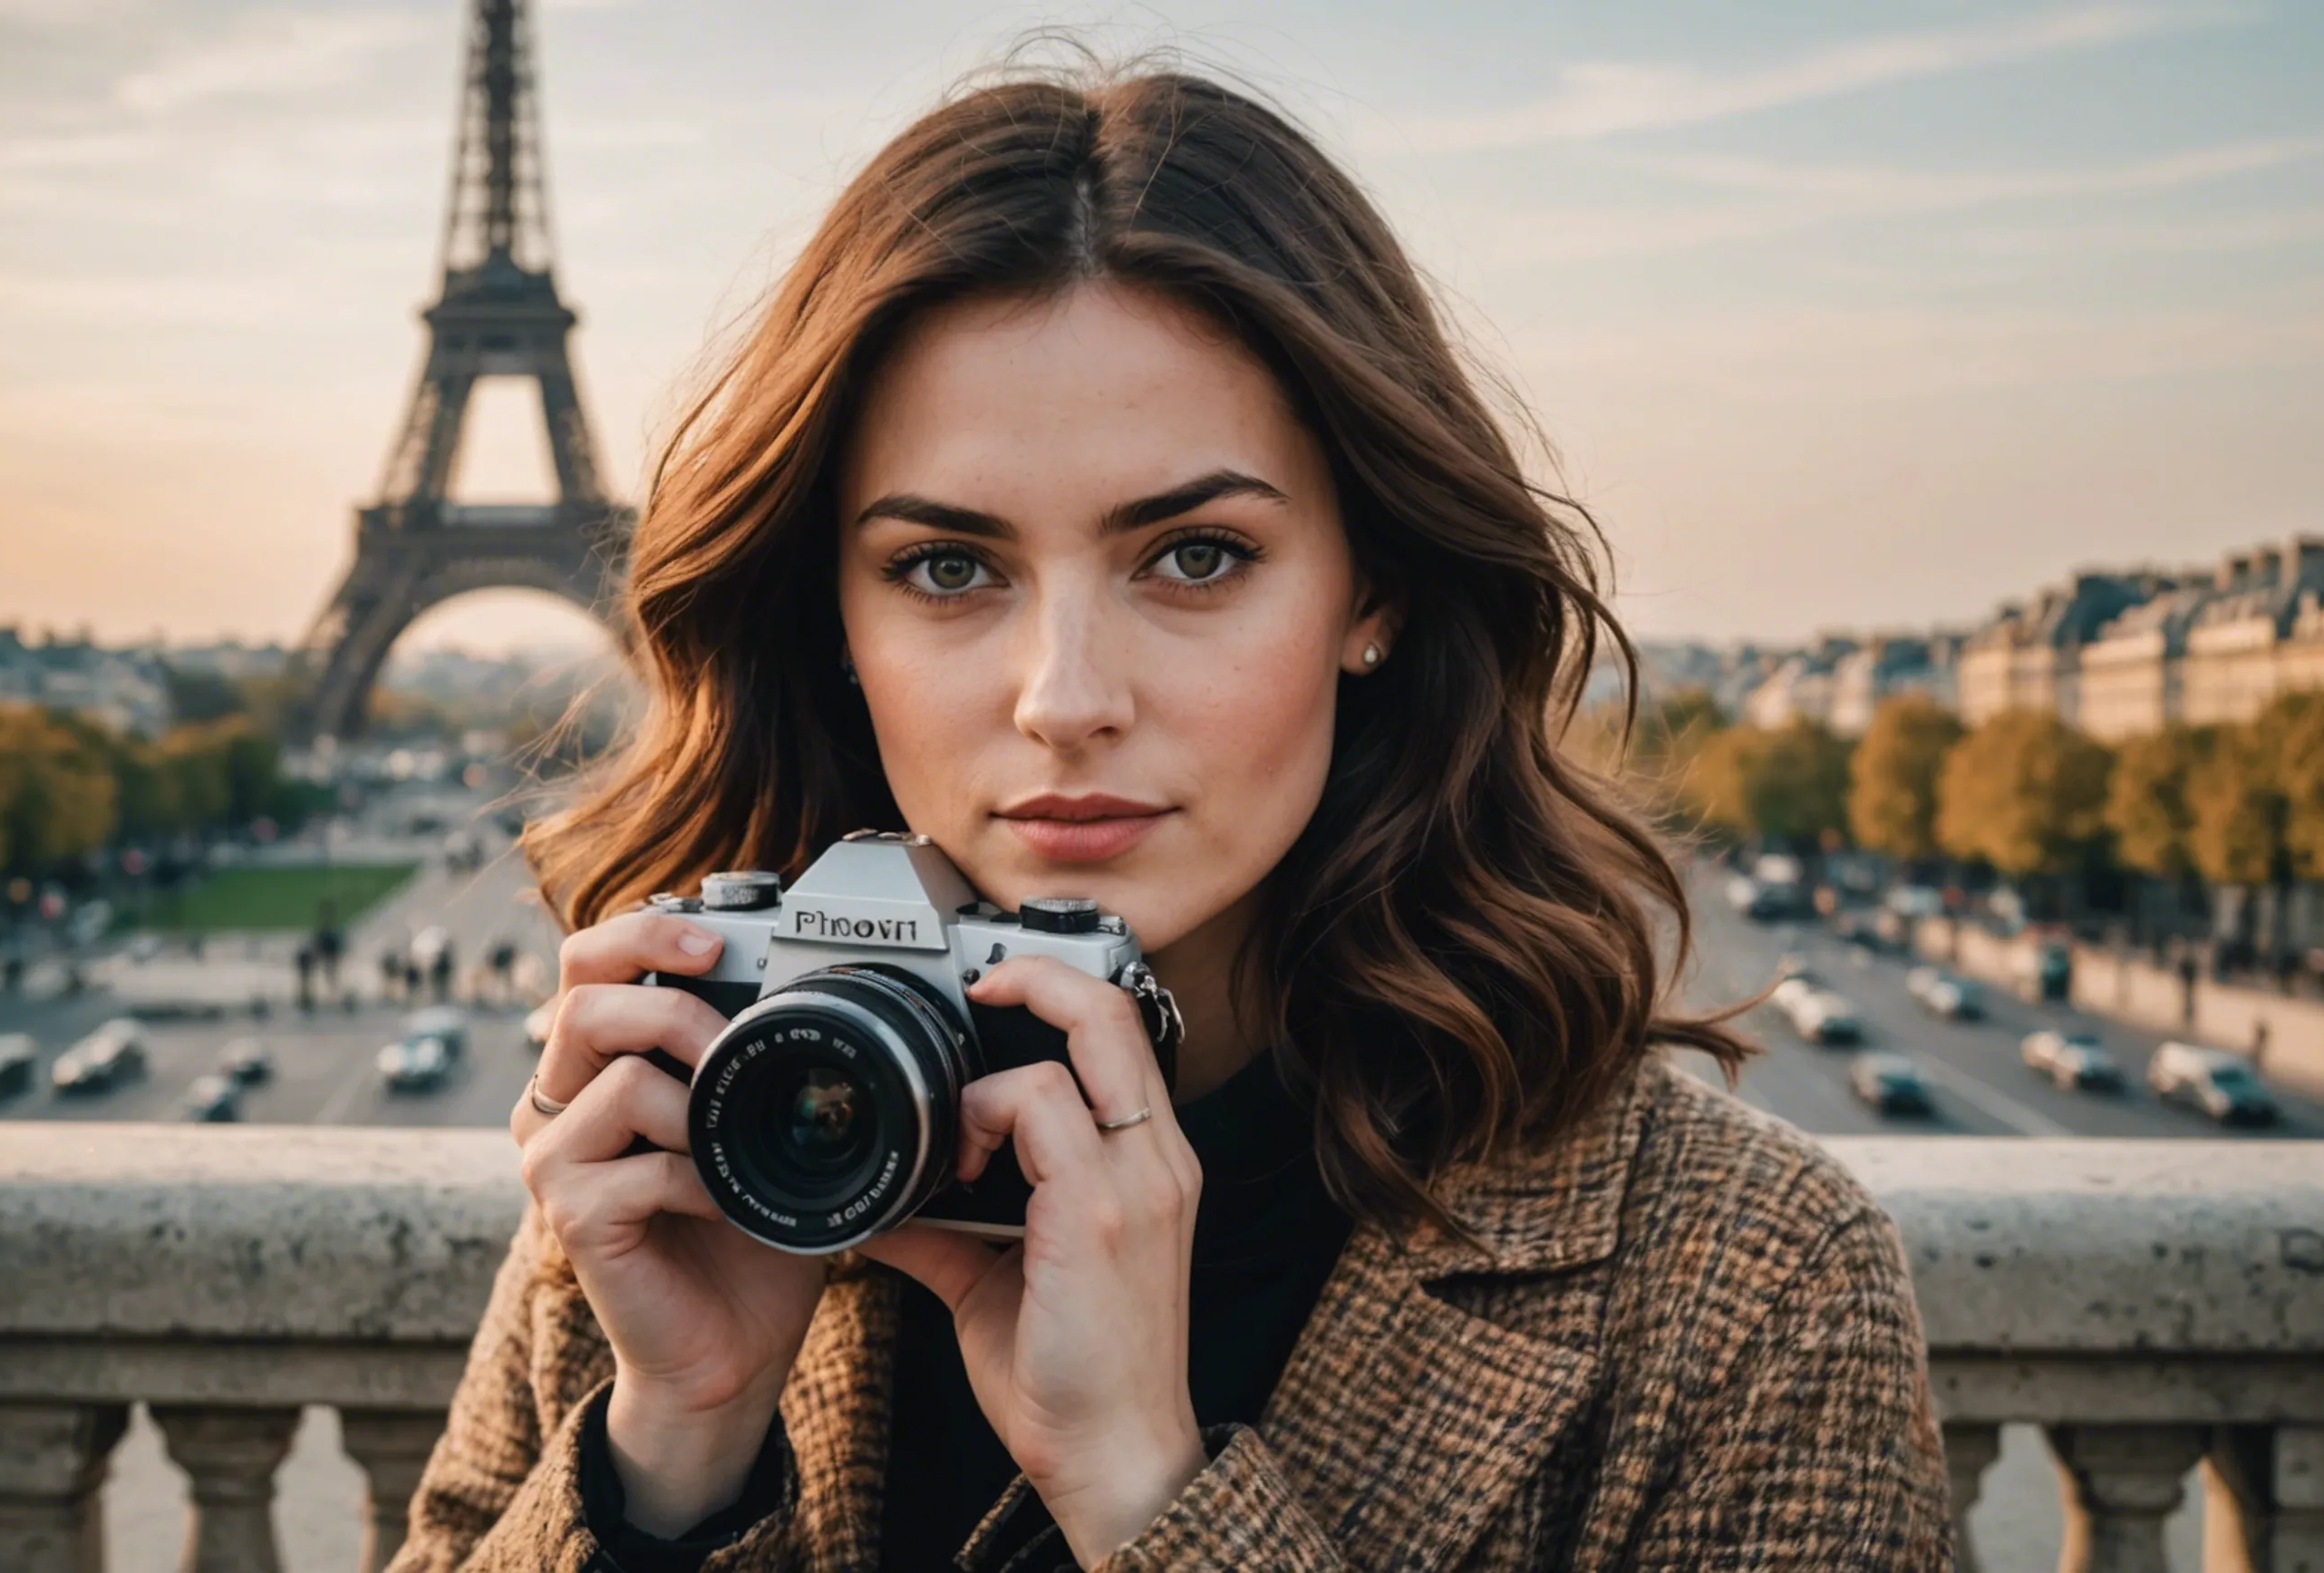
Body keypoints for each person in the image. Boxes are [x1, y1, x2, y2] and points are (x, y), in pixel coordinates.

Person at [396, 65, 1950, 1572]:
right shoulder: (698, 1139)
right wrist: (676, 1448)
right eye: (948, 567)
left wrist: (1150, 1491)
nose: (1063, 697)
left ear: (1378, 589)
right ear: (833, 624)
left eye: (1195, 556)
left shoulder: (1744, 1283)